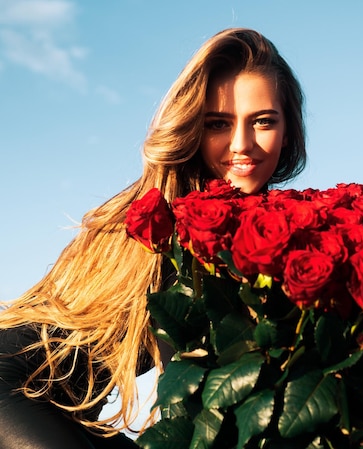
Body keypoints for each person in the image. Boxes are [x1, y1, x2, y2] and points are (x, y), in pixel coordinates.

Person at [0, 28, 306, 448]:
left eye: (264, 121)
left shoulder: (272, 231)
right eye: (218, 123)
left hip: (77, 422)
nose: (242, 144)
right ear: (192, 129)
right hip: (11, 389)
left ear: (288, 129)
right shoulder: (154, 220)